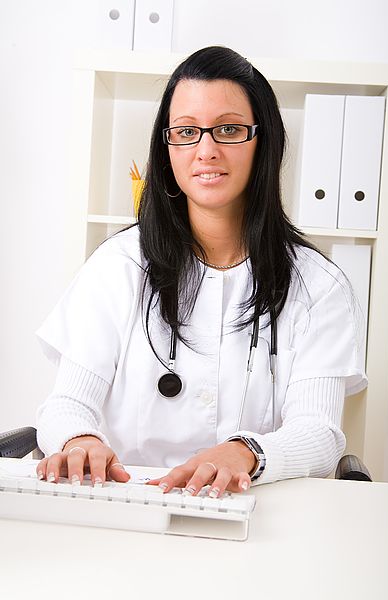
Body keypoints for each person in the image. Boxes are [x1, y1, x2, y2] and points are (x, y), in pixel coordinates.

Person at [35, 46, 367, 498]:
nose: (206, 151)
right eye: (187, 131)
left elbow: (320, 433)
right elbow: (67, 405)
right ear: (167, 146)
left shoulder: (317, 285)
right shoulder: (118, 265)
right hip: (133, 505)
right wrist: (79, 439)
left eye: (228, 129)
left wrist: (246, 451)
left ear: (262, 140)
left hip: (255, 509)